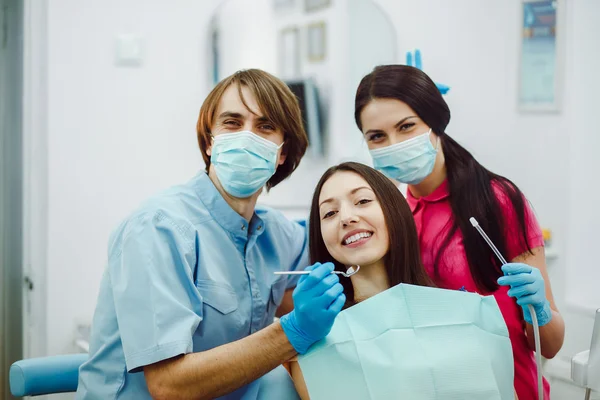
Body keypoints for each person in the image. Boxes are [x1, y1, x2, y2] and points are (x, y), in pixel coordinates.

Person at [76, 69, 346, 400]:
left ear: (282, 153)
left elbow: (322, 295)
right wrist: (293, 331)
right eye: (232, 123)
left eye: (264, 127)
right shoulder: (158, 229)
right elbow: (169, 385)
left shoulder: (279, 235)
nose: (247, 137)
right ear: (209, 143)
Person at [354, 64, 565, 400]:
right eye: (377, 136)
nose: (394, 144)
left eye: (406, 126)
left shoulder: (497, 201)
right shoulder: (392, 218)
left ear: (436, 124)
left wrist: (539, 309)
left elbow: (550, 346)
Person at [286, 162, 519, 400]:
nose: (346, 218)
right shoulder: (317, 339)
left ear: (394, 210)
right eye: (330, 213)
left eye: (363, 201)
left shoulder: (465, 314)